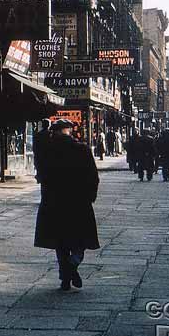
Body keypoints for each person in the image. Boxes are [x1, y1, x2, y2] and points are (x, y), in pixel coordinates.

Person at [34, 119, 100, 291]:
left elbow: (40, 170)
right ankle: (73, 265)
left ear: (54, 132)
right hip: (79, 202)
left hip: (54, 202)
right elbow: (93, 175)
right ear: (69, 131)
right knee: (80, 241)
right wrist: (91, 195)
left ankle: (65, 276)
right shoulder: (82, 149)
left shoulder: (47, 151)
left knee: (60, 242)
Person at [33, 119, 51, 183]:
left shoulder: (38, 135)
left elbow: (34, 147)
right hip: (49, 157)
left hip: (40, 157)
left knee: (40, 172)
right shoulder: (51, 135)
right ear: (49, 125)